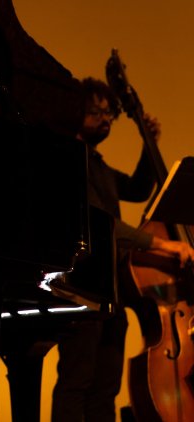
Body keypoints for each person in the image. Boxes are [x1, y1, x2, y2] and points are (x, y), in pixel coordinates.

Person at [50, 77, 193, 421]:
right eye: (97, 111)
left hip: (111, 292)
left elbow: (138, 188)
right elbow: (103, 222)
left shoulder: (98, 165)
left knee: (107, 388)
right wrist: (164, 243)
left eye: (109, 113)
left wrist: (150, 144)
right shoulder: (70, 160)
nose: (106, 119)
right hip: (82, 289)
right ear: (76, 111)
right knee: (77, 381)